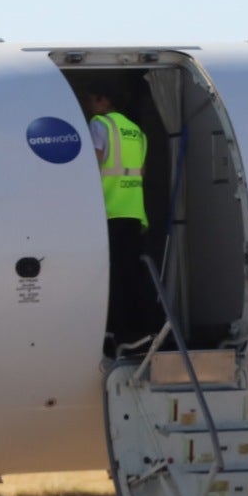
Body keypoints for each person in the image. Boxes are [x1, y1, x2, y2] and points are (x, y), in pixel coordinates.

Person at [81, 88, 156, 353]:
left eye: (91, 98)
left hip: (108, 211)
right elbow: (142, 172)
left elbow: (95, 163)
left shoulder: (99, 125)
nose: (90, 105)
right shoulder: (136, 131)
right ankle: (142, 331)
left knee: (111, 277)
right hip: (133, 211)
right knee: (131, 274)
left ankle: (117, 333)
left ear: (104, 98)